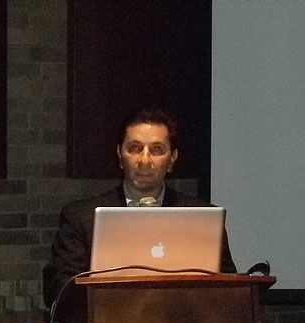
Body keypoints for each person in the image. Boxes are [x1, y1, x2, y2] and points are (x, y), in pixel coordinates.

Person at [42, 108, 237, 310]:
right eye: (135, 148)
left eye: (157, 150)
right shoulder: (81, 217)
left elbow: (232, 291)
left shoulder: (203, 220)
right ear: (120, 155)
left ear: (172, 158)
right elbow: (60, 288)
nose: (144, 160)